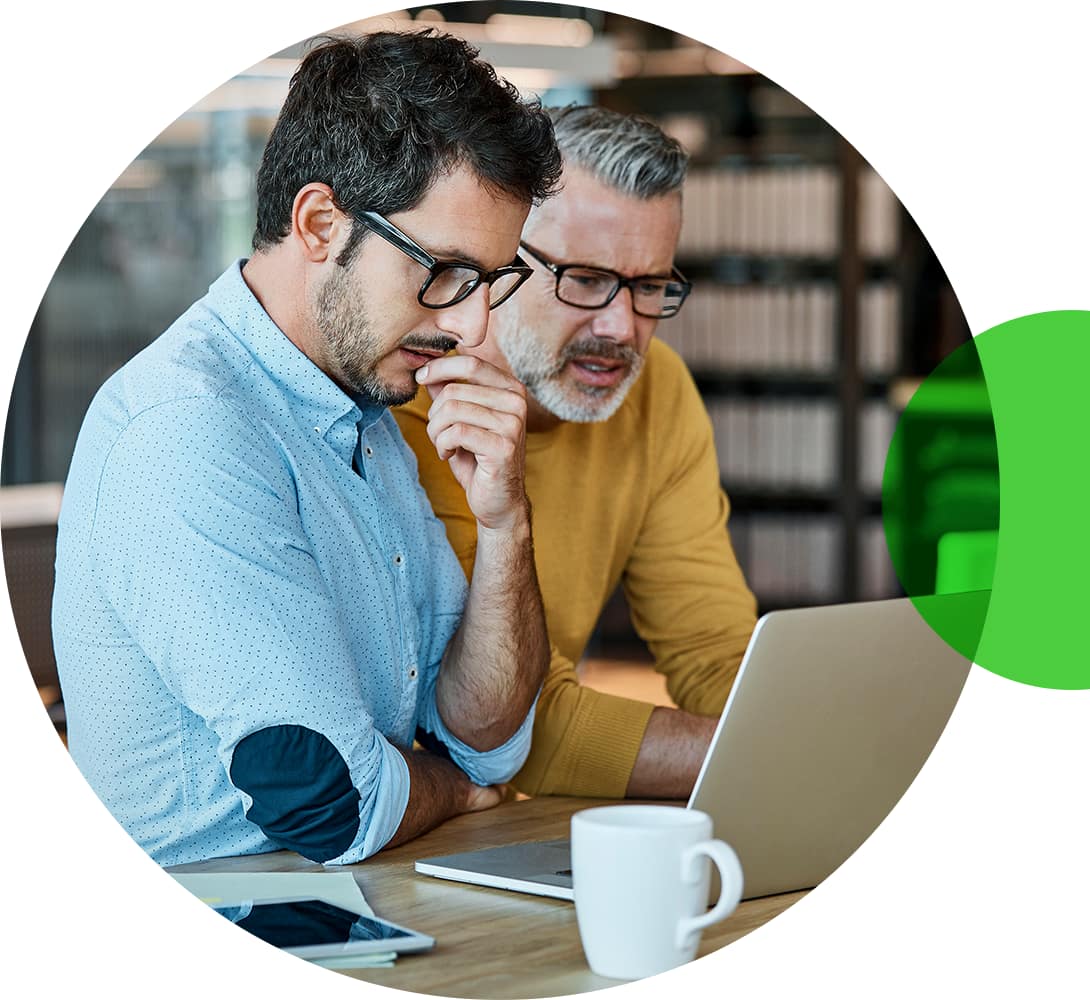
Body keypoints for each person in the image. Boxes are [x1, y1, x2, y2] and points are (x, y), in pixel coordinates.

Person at [51, 30, 562, 867]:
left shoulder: (362, 406)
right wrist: (454, 793)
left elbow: (485, 739)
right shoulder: (188, 430)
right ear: (320, 222)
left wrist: (507, 526)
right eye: (444, 273)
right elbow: (327, 802)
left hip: (365, 903)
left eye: (490, 284)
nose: (471, 327)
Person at [395, 105, 758, 801]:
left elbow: (716, 655)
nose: (621, 327)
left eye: (649, 286)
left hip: (508, 830)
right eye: (585, 280)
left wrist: (816, 732)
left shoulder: (659, 394)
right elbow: (509, 725)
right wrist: (768, 756)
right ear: (500, 260)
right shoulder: (412, 403)